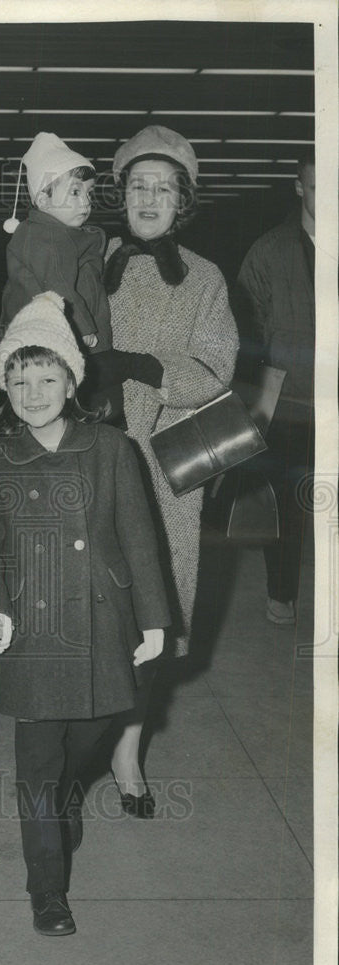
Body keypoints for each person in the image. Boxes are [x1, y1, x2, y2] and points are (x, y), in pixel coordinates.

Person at [0, 291, 170, 937]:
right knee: (36, 769)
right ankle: (47, 890)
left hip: (103, 621)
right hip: (33, 632)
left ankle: (65, 793)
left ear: (71, 380)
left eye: (47, 376)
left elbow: (139, 536)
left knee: (102, 722)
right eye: (18, 379)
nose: (33, 391)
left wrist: (156, 619)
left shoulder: (112, 449)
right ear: (5, 387)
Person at [95, 125, 238, 814]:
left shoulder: (205, 278)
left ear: (183, 201)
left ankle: (128, 748)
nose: (150, 198)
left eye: (164, 188)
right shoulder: (88, 259)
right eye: (138, 186)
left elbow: (217, 368)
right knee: (88, 603)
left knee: (152, 613)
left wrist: (148, 369)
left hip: (163, 474)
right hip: (87, 462)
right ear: (119, 196)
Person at [233, 150, 315, 626]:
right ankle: (281, 592)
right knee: (288, 504)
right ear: (300, 186)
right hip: (289, 402)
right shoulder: (269, 251)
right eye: (320, 184)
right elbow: (247, 333)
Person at [0, 131, 120, 418]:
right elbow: (58, 284)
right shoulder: (44, 236)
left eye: (89, 193)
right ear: (43, 198)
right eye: (75, 192)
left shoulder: (64, 236)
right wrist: (85, 326)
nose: (86, 202)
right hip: (51, 349)